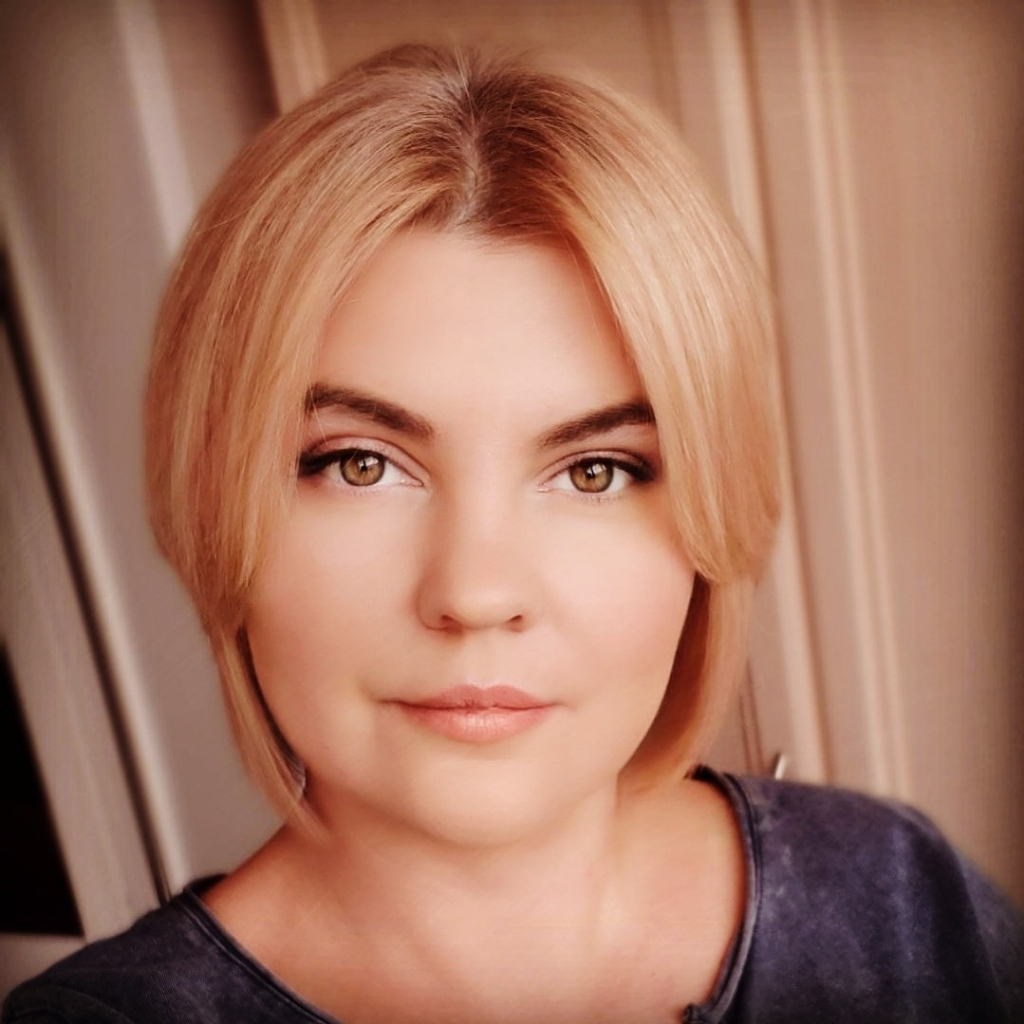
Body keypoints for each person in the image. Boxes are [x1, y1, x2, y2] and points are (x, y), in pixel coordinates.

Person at [4, 43, 1021, 1024]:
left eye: (594, 470)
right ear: (214, 503)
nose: (477, 592)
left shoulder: (904, 896)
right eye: (360, 464)